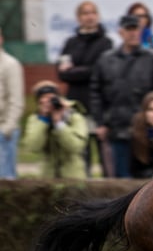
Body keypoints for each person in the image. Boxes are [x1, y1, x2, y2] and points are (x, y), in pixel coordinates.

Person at [89, 14, 153, 178]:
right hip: (116, 129)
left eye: (136, 29)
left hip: (146, 132)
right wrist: (100, 122)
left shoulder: (152, 58)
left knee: (147, 180)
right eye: (129, 29)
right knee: (119, 179)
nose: (133, 33)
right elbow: (95, 92)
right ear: (121, 32)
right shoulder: (106, 60)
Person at [56, 0, 113, 177]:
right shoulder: (71, 43)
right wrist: (84, 70)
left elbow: (99, 70)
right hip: (76, 105)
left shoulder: (106, 42)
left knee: (105, 156)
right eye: (85, 13)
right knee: (81, 154)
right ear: (78, 18)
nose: (90, 17)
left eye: (93, 13)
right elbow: (62, 73)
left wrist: (75, 70)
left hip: (99, 106)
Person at [20, 81, 88, 179]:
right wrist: (43, 120)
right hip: (48, 177)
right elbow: (33, 147)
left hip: (73, 177)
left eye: (51, 99)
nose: (49, 104)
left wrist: (59, 123)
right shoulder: (36, 119)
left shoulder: (74, 116)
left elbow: (75, 147)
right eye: (43, 100)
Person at [0, 25, 24, 180]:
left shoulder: (10, 64)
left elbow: (16, 102)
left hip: (3, 133)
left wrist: (5, 130)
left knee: (5, 182)